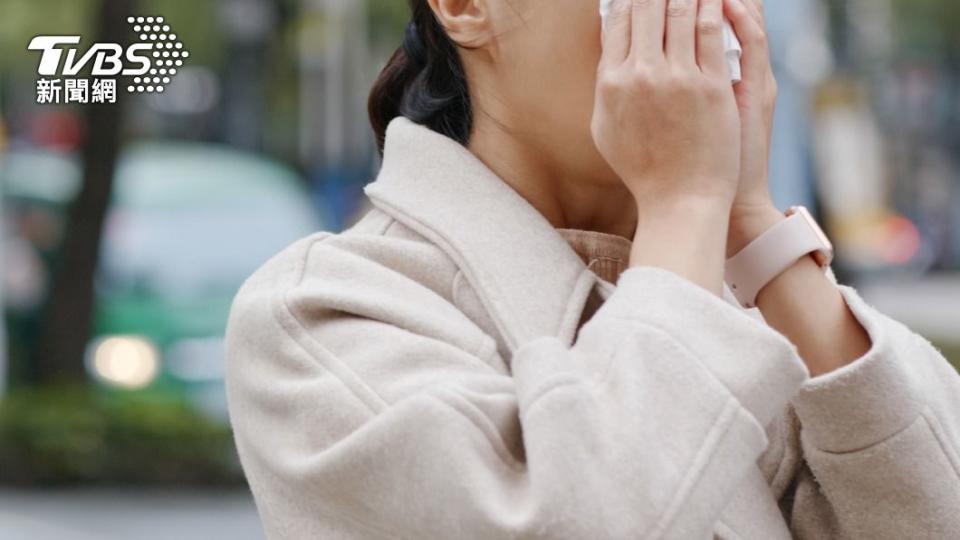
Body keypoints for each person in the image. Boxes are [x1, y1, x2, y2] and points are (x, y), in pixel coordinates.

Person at [224, 0, 960, 537]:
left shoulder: (739, 305)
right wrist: (684, 202)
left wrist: (749, 223)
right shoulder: (326, 311)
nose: (687, 20)